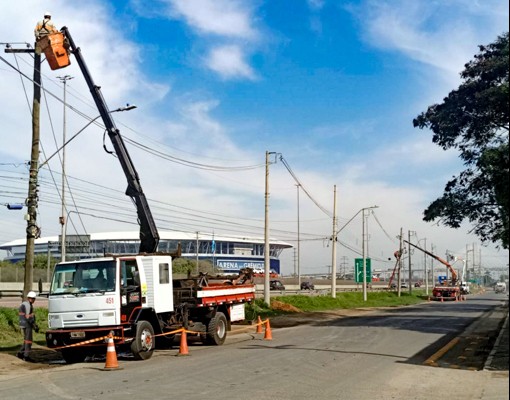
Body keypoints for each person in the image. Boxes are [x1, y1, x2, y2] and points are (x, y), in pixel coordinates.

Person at [18, 291, 39, 362]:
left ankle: (20, 353)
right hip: (27, 324)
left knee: (26, 339)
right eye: (32, 298)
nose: (33, 300)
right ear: (30, 298)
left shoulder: (24, 304)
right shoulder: (28, 305)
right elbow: (28, 317)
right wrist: (34, 325)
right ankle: (26, 356)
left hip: (23, 323)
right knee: (28, 340)